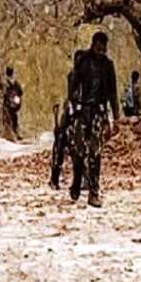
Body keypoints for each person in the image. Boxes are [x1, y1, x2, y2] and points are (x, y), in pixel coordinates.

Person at [68, 32, 119, 208]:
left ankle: (94, 192)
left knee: (95, 153)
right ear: (93, 44)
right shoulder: (83, 61)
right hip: (82, 111)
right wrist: (74, 106)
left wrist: (116, 118)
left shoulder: (108, 66)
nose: (101, 50)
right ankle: (77, 181)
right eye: (98, 47)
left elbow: (113, 94)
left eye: (104, 48)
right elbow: (73, 86)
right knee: (78, 151)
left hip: (99, 112)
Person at [50, 52, 81, 190]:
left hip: (77, 117)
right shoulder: (73, 76)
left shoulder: (84, 76)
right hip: (68, 119)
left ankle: (79, 181)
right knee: (60, 149)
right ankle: (54, 179)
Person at [4, 66, 24, 137]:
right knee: (13, 117)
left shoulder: (7, 83)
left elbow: (20, 92)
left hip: (12, 104)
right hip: (11, 104)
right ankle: (15, 132)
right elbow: (21, 92)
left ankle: (15, 132)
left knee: (14, 117)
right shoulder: (13, 83)